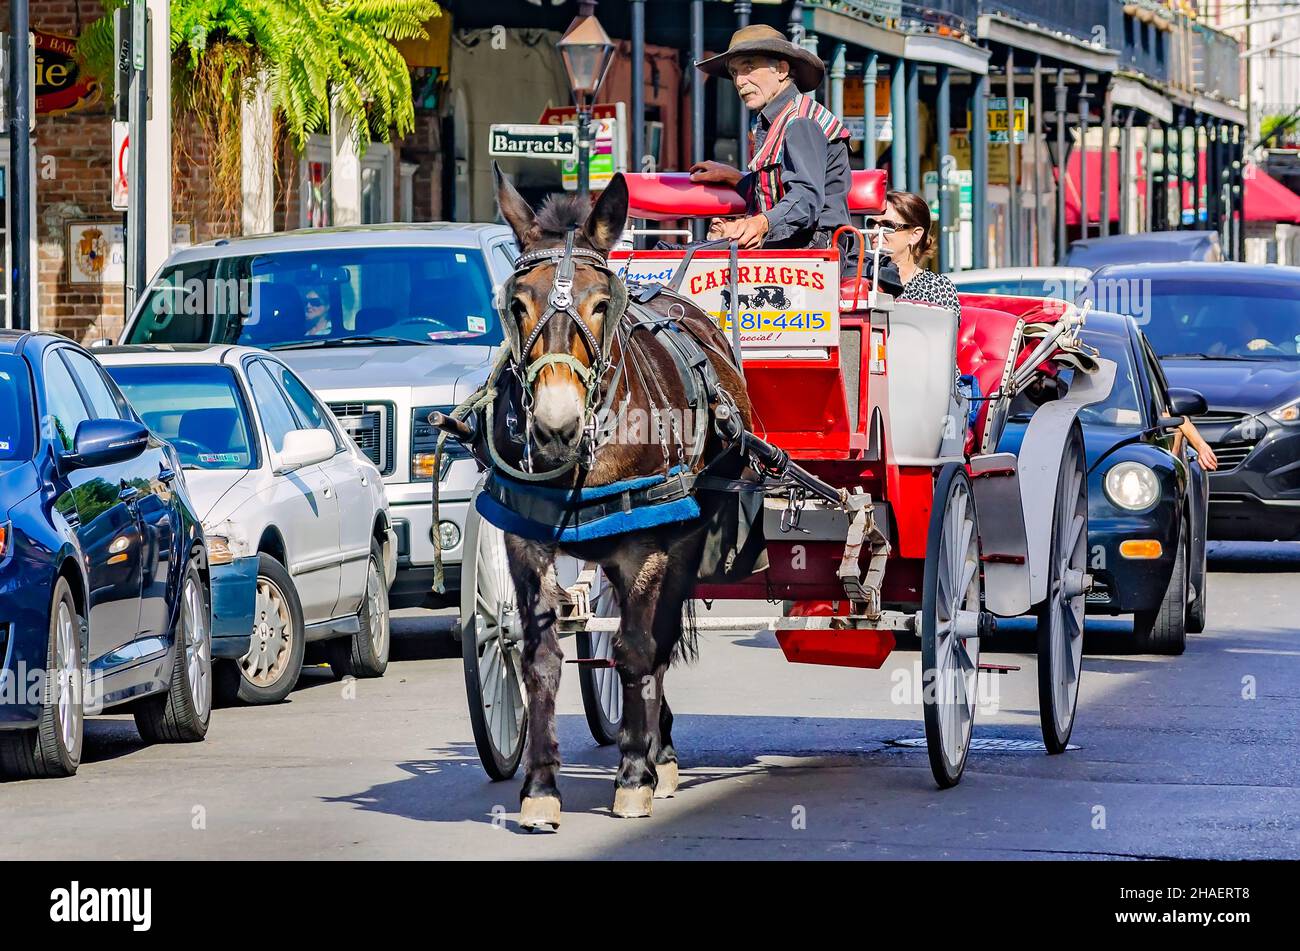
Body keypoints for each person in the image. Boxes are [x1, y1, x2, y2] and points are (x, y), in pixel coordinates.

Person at [688, 25, 853, 255]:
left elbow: (805, 199)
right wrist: (733, 177)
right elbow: (774, 193)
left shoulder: (800, 122)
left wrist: (760, 223)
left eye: (749, 67)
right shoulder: (781, 118)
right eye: (734, 72)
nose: (740, 81)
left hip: (814, 253)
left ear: (782, 70)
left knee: (679, 255)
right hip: (794, 248)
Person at [869, 190, 961, 319]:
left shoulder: (935, 287)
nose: (875, 231)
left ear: (914, 235)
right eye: (871, 223)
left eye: (887, 225)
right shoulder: (860, 279)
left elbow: (942, 335)